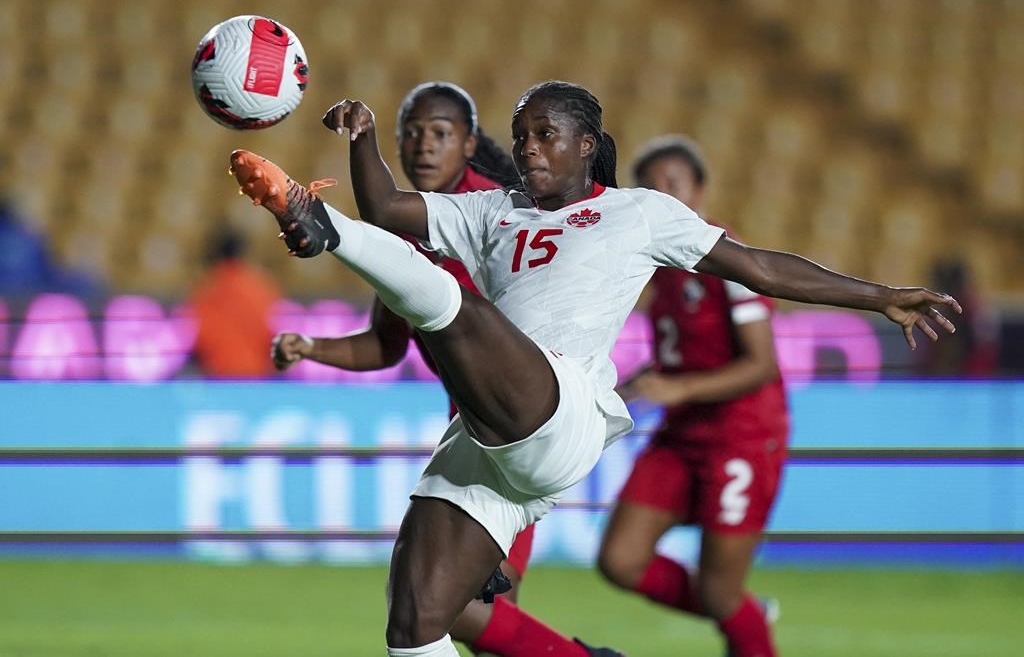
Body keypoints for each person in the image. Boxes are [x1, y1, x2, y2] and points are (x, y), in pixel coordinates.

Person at [227, 80, 959, 657]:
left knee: (450, 304)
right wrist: (361, 138)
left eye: (546, 134)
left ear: (588, 145)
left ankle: (317, 223)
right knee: (417, 619)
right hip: (487, 440)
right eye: (521, 137)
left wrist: (880, 295)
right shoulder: (495, 213)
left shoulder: (641, 212)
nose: (530, 149)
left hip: (562, 411)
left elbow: (760, 265)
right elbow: (388, 206)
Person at [270, 82, 598, 656]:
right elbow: (386, 344)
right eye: (413, 134)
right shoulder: (408, 226)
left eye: (440, 134)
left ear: (468, 142)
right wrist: (311, 347)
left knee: (459, 611)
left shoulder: (504, 213)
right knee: (462, 614)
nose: (424, 146)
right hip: (475, 435)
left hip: (524, 425)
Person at [597, 135, 787, 657]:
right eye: (651, 189)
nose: (663, 197)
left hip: (742, 435)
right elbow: (675, 359)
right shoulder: (658, 269)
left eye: (673, 186)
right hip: (683, 433)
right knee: (620, 560)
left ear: (699, 191)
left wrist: (677, 388)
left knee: (720, 593)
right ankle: (743, 610)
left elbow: (762, 364)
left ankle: (741, 615)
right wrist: (622, 389)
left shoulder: (733, 261)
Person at [190, 227, 281, 378]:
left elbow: (200, 336)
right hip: (256, 376)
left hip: (218, 376)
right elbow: (271, 333)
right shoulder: (262, 286)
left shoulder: (207, 288)